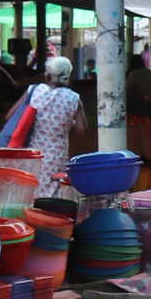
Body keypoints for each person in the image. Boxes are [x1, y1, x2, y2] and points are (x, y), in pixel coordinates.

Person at [27, 56, 86, 198]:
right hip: (57, 154)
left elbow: (12, 115)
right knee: (55, 190)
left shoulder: (35, 90)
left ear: (48, 75)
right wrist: (68, 123)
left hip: (34, 153)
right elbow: (82, 129)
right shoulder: (73, 98)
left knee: (33, 189)